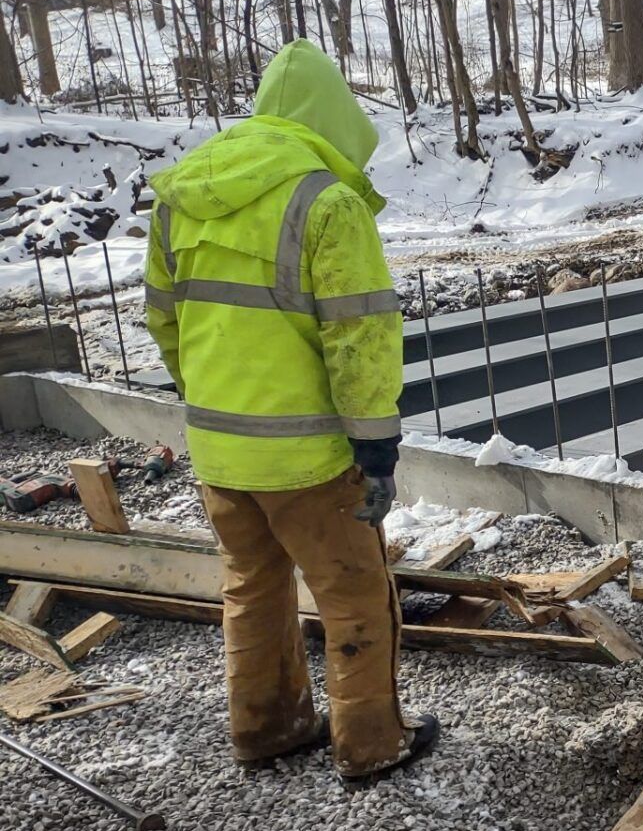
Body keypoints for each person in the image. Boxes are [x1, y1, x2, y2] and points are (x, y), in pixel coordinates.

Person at [142, 38, 438, 783]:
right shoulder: (324, 202)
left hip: (220, 452)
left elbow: (165, 324)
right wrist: (374, 448)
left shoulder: (180, 199)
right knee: (354, 593)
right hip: (306, 459)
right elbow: (360, 338)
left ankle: (268, 726)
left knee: (252, 586)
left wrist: (213, 406)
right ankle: (371, 742)